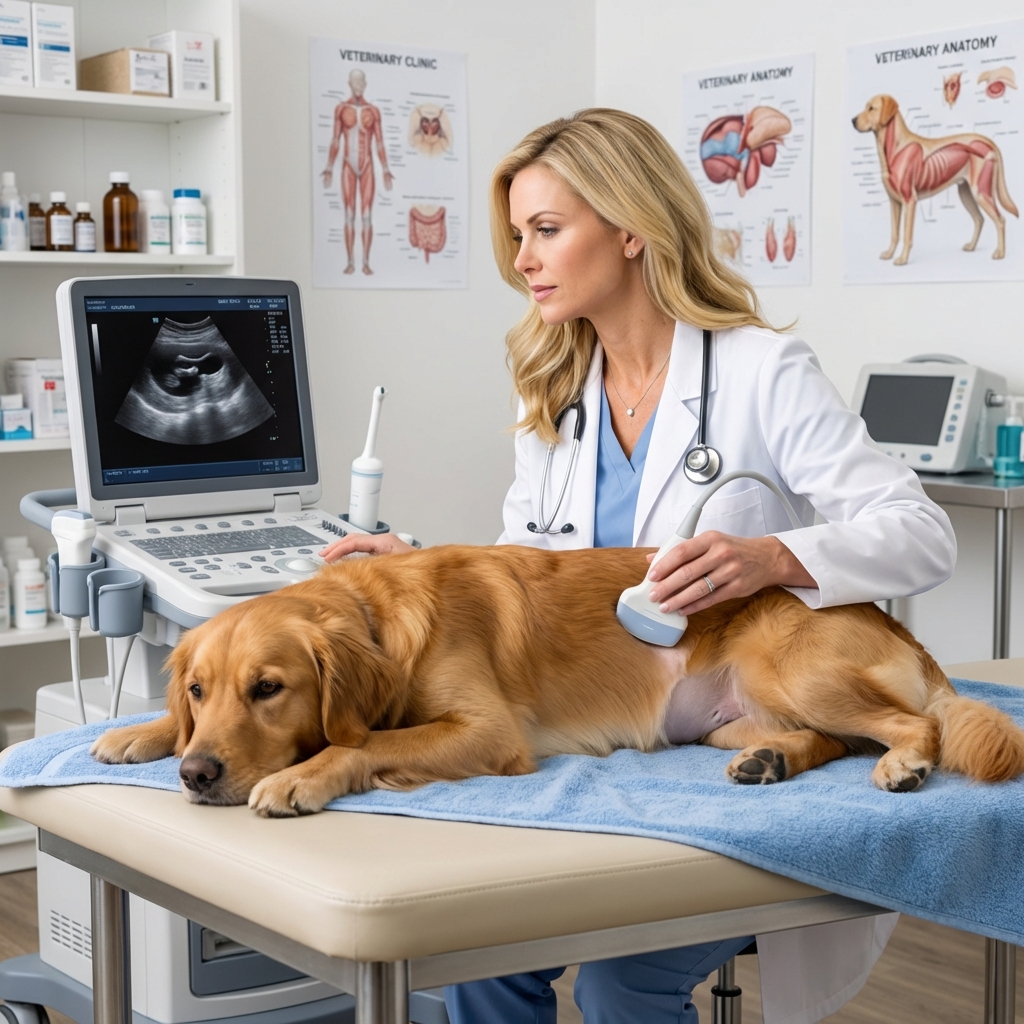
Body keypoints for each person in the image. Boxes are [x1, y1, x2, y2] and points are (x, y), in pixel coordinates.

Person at [320, 108, 956, 1024]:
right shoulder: (556, 391)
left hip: (725, 741)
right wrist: (421, 570)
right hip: (618, 750)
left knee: (629, 978)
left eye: (546, 230)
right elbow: (530, 580)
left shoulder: (762, 371)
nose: (524, 260)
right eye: (517, 237)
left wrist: (775, 556)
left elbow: (921, 532)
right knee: (477, 958)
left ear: (628, 228)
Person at [321, 68, 393, 276]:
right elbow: (335, 139)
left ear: (365, 84)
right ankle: (351, 261)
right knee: (349, 215)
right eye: (355, 82)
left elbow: (379, 143)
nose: (358, 86)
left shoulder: (373, 111)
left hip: (368, 164)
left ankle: (366, 263)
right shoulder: (341, 109)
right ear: (349, 83)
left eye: (361, 82)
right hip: (348, 164)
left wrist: (386, 169)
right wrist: (328, 167)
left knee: (367, 215)